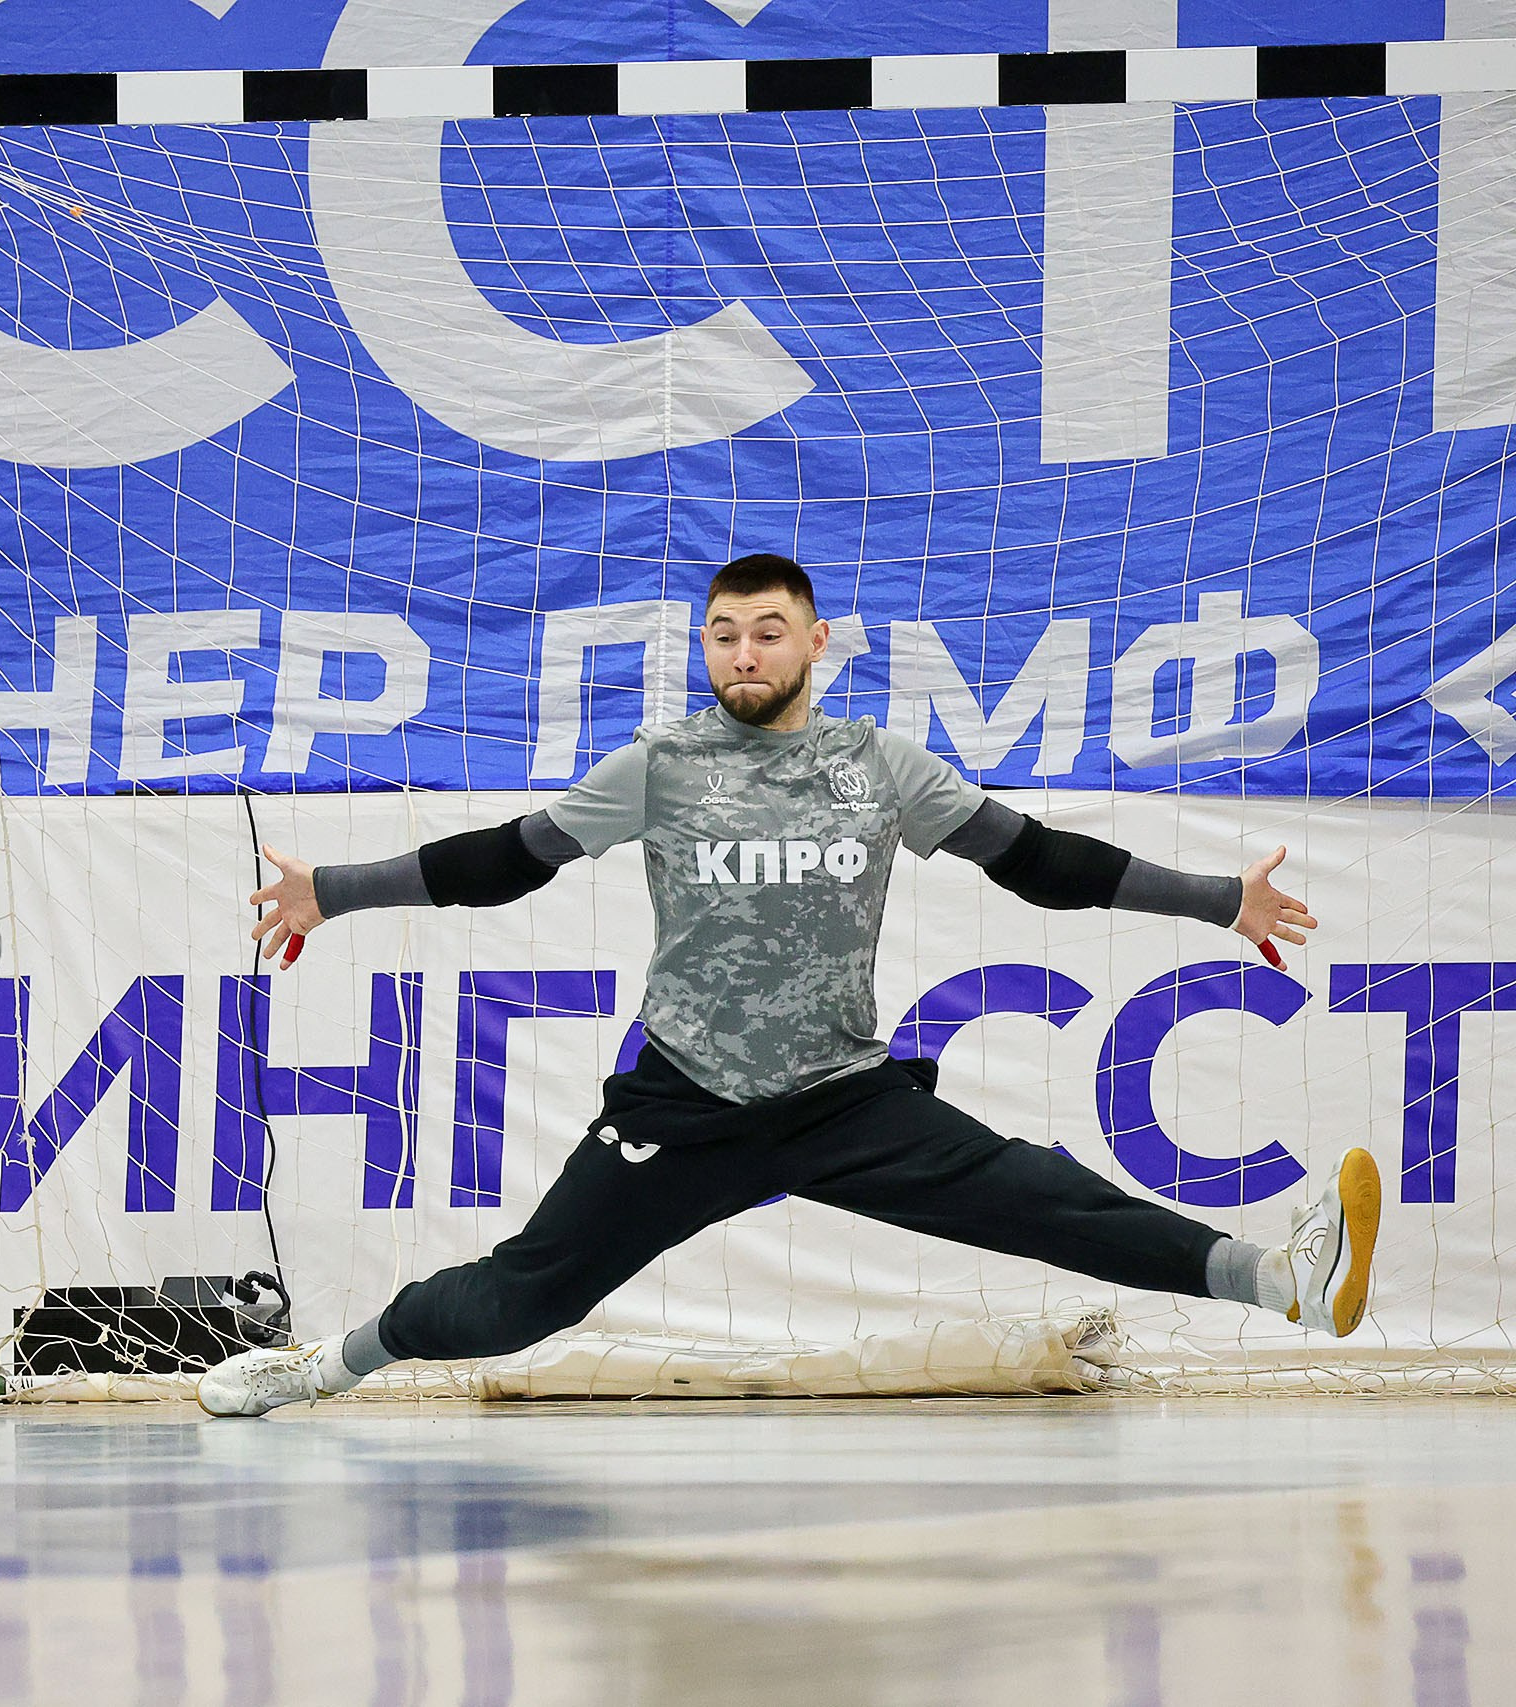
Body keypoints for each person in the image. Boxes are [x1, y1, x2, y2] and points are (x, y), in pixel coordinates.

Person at [198, 551, 1379, 1417]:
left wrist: (1216, 900)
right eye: (723, 633)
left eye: (767, 630)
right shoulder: (658, 767)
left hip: (842, 1098)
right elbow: (506, 861)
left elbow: (1039, 864)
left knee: (1047, 1201)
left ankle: (1280, 1279)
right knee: (516, 1306)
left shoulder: (880, 766)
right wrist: (334, 889)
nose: (743, 652)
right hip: (685, 1102)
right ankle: (320, 1367)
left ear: (817, 644)